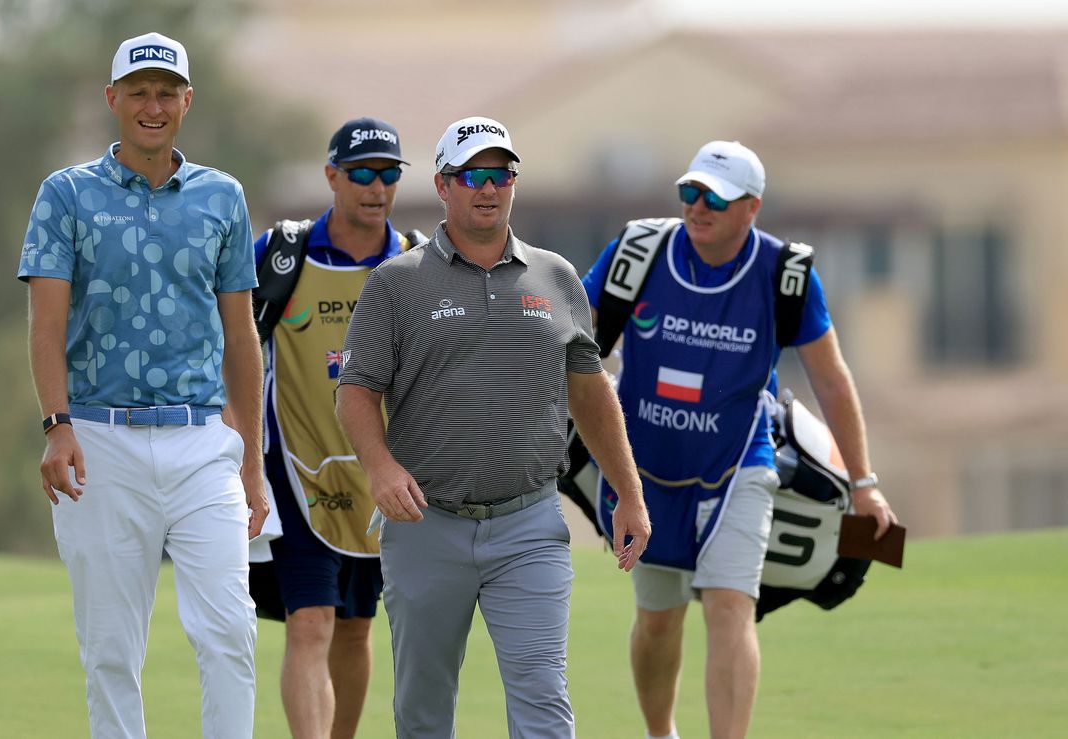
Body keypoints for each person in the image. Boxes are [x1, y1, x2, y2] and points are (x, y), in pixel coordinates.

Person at [336, 116, 652, 739]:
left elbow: (589, 390)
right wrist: (380, 467)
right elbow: (356, 390)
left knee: (542, 700)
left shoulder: (555, 277)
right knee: (423, 709)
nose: (489, 188)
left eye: (501, 174)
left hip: (528, 523)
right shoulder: (398, 280)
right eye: (473, 175)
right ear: (443, 185)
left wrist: (629, 493)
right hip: (425, 524)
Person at [580, 140, 898, 739]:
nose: (697, 208)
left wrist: (865, 484)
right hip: (644, 469)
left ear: (751, 208)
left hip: (741, 464)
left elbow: (831, 379)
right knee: (658, 619)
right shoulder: (638, 252)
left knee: (730, 605)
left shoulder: (786, 275)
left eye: (715, 200)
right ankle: (660, 733)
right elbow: (576, 341)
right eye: (690, 193)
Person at [17, 32, 266, 739]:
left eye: (165, 92)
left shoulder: (223, 196)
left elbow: (242, 337)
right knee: (111, 650)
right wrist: (56, 424)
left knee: (228, 631)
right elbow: (46, 321)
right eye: (138, 92)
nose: (151, 106)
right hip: (99, 439)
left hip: (202, 442)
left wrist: (250, 462)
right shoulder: (66, 194)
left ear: (186, 100)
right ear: (113, 100)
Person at [253, 117, 414, 739]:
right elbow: (230, 345)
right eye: (361, 174)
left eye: (388, 174)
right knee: (312, 619)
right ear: (331, 177)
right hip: (294, 468)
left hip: (381, 476)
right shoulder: (280, 255)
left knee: (355, 625)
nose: (375, 187)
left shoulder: (414, 261)